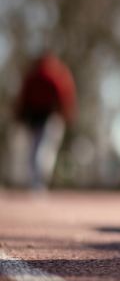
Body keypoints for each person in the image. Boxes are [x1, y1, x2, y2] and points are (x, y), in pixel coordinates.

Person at [13, 52, 77, 190]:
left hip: (48, 117)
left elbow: (64, 95)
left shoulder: (51, 75)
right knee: (40, 151)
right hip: (39, 118)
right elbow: (24, 98)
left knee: (39, 151)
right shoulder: (50, 75)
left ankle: (38, 182)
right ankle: (37, 182)